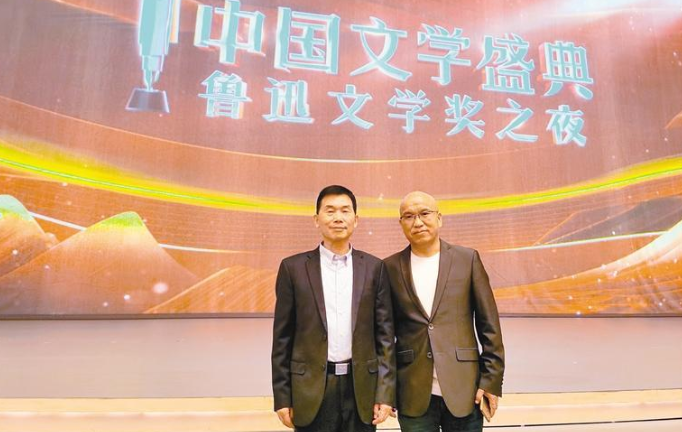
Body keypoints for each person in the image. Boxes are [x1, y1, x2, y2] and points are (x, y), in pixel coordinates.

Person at [271, 185, 396, 432]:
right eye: (330, 211)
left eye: (345, 211)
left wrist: (385, 393)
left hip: (361, 389)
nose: (338, 217)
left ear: (355, 220)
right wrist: (282, 397)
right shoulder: (293, 268)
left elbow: (385, 336)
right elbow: (282, 339)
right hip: (311, 389)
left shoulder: (374, 268)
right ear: (316, 219)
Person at [384, 191, 505, 432]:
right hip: (413, 392)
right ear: (401, 223)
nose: (418, 222)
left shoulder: (467, 259)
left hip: (465, 389)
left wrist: (491, 380)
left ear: (439, 218)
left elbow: (489, 325)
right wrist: (386, 391)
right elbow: (384, 336)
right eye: (409, 216)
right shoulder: (389, 267)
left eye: (424, 213)